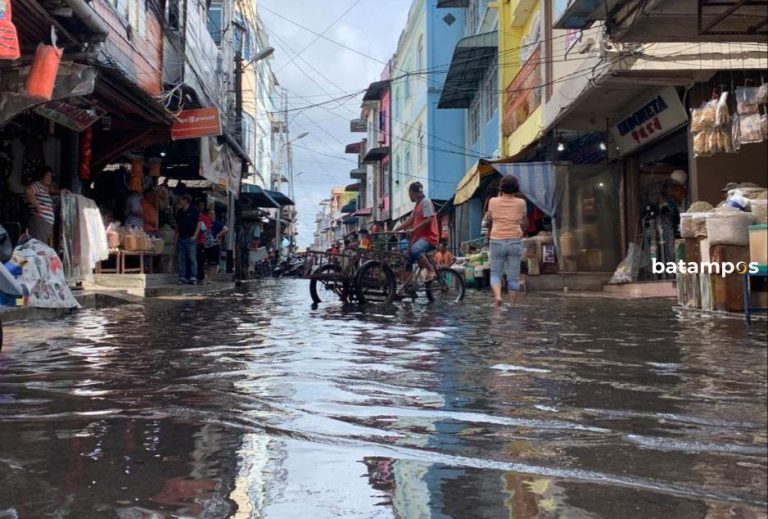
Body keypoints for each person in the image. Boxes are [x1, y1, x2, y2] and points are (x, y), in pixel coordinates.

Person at [485, 175, 527, 307]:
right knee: (513, 275)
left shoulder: (492, 201)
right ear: (516, 188)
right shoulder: (521, 203)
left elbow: (490, 218)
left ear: (501, 188)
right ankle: (513, 303)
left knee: (496, 272)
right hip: (515, 240)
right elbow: (524, 220)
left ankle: (498, 297)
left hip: (497, 240)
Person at [394, 181, 438, 283]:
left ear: (412, 193)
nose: (409, 196)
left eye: (409, 193)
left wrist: (413, 229)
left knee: (415, 250)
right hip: (419, 239)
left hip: (429, 238)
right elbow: (409, 221)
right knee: (407, 260)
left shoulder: (426, 202)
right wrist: (395, 229)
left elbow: (429, 219)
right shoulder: (417, 206)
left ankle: (431, 270)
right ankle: (409, 287)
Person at [25, 166, 68, 245]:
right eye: (47, 175)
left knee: (42, 247)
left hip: (45, 223)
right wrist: (37, 205)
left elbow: (51, 190)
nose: (50, 178)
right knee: (37, 246)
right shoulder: (37, 185)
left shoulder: (44, 189)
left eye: (50, 176)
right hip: (40, 221)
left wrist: (61, 191)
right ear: (41, 176)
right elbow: (28, 191)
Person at [175, 195, 201, 284]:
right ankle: (182, 277)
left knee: (192, 258)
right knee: (181, 258)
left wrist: (195, 235)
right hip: (181, 237)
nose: (180, 202)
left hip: (190, 237)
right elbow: (178, 225)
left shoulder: (194, 211)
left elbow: (199, 223)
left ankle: (193, 276)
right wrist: (176, 236)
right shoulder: (180, 212)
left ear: (186, 200)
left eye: (181, 200)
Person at [204, 208, 228, 284]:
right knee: (205, 263)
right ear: (207, 215)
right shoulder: (205, 223)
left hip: (214, 245)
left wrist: (218, 235)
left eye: (213, 214)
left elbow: (226, 229)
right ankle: (205, 278)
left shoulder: (217, 223)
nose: (212, 215)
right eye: (210, 214)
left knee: (213, 263)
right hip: (205, 245)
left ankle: (209, 279)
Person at [195, 201, 212, 284]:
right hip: (193, 240)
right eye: (199, 205)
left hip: (200, 241)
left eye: (202, 205)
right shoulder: (193, 215)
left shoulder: (204, 218)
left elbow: (206, 230)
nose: (200, 207)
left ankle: (200, 277)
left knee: (200, 260)